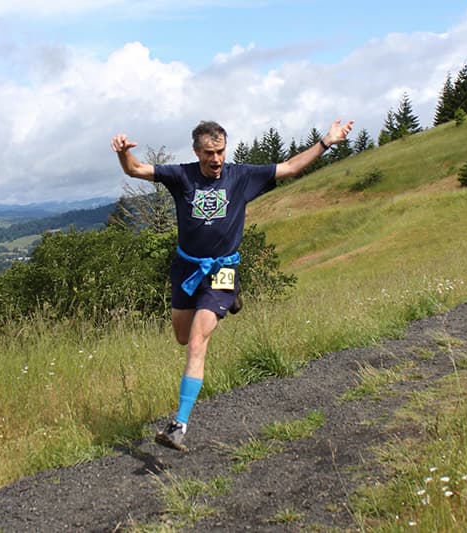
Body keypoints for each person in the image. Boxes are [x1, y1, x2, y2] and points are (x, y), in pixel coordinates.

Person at [110, 118, 354, 450]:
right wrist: (124, 154)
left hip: (223, 271)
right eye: (209, 153)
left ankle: (179, 425)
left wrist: (326, 142)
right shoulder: (181, 176)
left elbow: (291, 168)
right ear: (197, 152)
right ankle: (231, 300)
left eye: (221, 151)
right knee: (182, 337)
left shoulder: (241, 176)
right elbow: (136, 170)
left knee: (197, 342)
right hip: (187, 269)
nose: (216, 159)